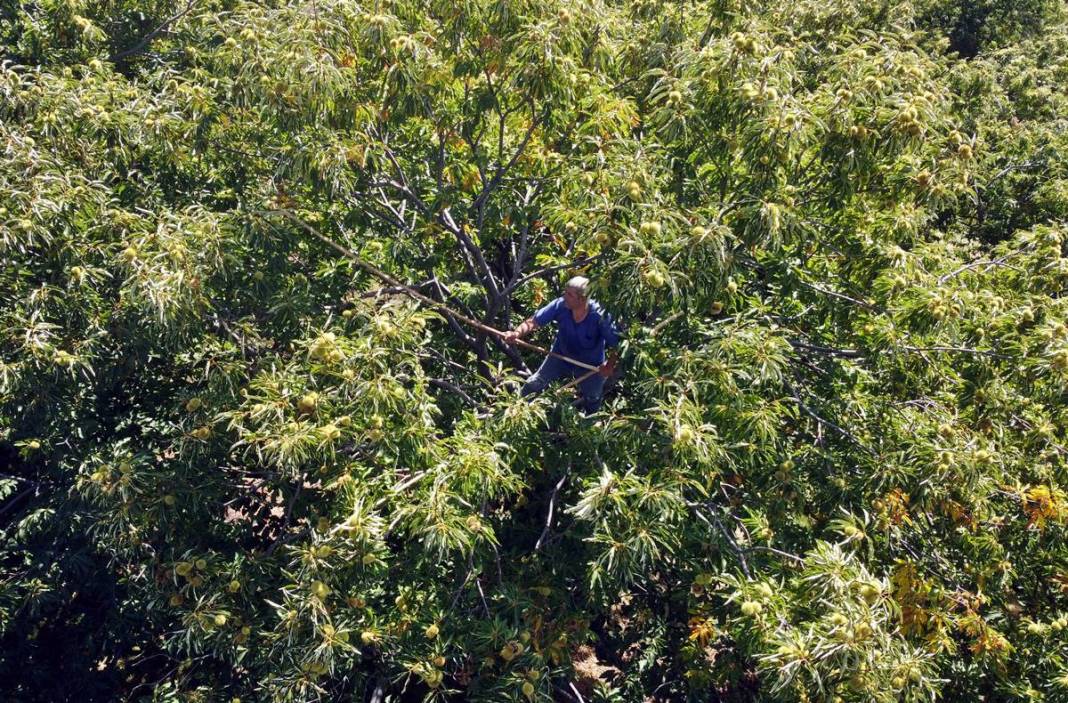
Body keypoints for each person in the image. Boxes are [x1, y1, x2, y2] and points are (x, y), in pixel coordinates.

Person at [502, 276, 621, 413]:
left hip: (590, 365)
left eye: (569, 295)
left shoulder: (600, 316)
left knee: (593, 397)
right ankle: (516, 411)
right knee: (533, 384)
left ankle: (591, 425)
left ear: (582, 299)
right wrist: (516, 333)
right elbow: (534, 322)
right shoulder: (560, 305)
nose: (565, 297)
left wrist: (609, 366)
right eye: (566, 292)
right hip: (560, 356)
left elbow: (618, 345)